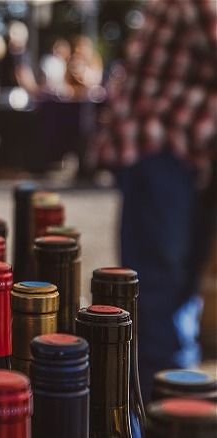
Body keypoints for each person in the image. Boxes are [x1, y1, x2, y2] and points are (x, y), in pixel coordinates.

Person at [93, 0, 216, 401]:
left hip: (178, 152)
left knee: (170, 290)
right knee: (159, 291)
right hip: (164, 149)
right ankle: (167, 408)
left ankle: (165, 402)